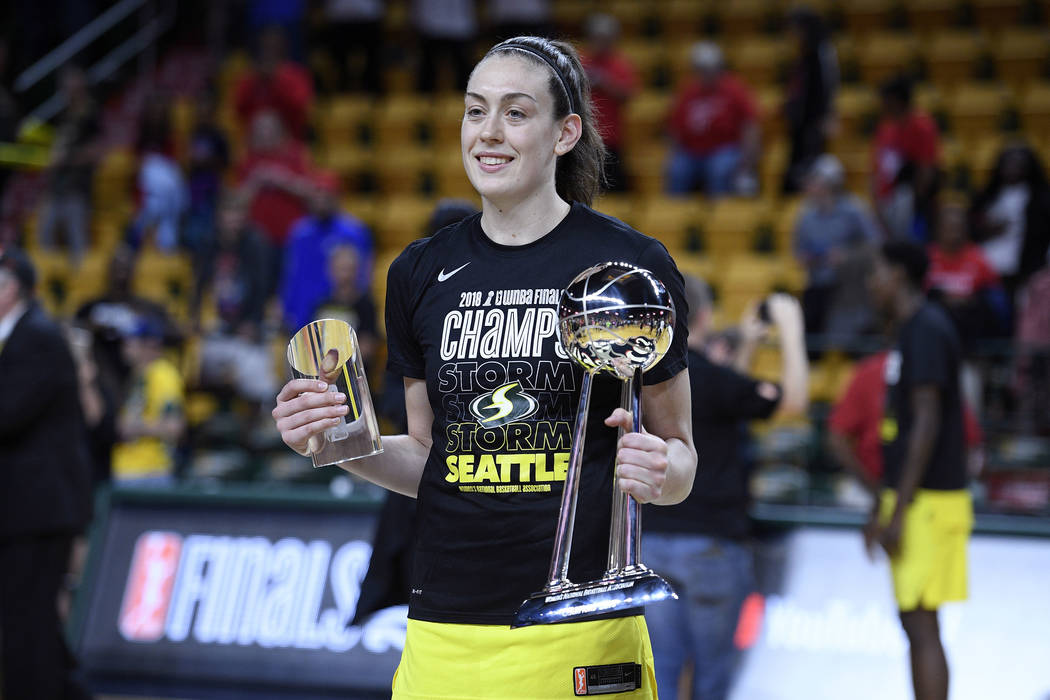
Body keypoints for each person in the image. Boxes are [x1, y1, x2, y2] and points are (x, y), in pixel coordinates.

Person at [272, 36, 697, 699]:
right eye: (475, 111)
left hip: (582, 633)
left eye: (515, 113)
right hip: (445, 630)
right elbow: (425, 457)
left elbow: (680, 457)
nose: (488, 133)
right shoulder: (417, 271)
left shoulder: (630, 267)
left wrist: (661, 471)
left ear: (565, 133)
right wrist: (331, 442)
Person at [643, 281, 809, 700]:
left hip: (651, 542)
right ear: (705, 318)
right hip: (712, 547)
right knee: (713, 676)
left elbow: (729, 400)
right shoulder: (714, 378)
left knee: (658, 673)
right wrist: (790, 328)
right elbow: (793, 401)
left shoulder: (643, 378)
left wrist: (747, 347)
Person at [864, 240, 972, 700]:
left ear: (900, 276)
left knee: (923, 624)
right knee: (916, 623)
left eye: (878, 271)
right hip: (916, 498)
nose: (872, 282)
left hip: (928, 500)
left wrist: (900, 509)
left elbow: (927, 421)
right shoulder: (911, 329)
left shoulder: (926, 328)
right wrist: (886, 503)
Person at [0, 247, 94, 700]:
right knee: (30, 619)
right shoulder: (24, 334)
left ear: (10, 286)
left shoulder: (35, 336)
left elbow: (7, 414)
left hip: (38, 508)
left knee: (25, 621)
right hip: (30, 507)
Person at [793, 154, 880, 340]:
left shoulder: (854, 210)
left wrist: (847, 256)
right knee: (812, 340)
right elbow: (798, 252)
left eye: (815, 181)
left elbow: (876, 245)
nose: (810, 186)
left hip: (849, 289)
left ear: (830, 185)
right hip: (817, 287)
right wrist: (807, 258)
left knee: (848, 340)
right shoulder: (805, 216)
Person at [280, 171, 373, 333]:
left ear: (337, 197)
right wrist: (286, 309)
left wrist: (359, 311)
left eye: (326, 194)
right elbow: (290, 274)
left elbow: (363, 275)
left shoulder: (354, 232)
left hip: (339, 316)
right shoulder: (299, 232)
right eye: (317, 194)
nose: (321, 200)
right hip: (302, 316)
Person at [665, 41, 760, 197]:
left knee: (719, 169)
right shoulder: (688, 91)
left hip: (724, 147)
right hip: (691, 150)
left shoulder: (734, 89)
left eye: (708, 69)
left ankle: (718, 215)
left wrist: (747, 163)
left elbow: (750, 125)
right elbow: (674, 127)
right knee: (677, 170)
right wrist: (672, 154)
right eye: (700, 69)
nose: (704, 74)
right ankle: (676, 215)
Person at [37, 65, 102, 264]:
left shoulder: (90, 113)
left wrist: (66, 158)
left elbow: (96, 153)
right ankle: (48, 279)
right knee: (45, 232)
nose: (67, 89)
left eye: (71, 84)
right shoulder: (64, 114)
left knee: (77, 239)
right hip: (57, 186)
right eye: (65, 85)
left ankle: (81, 282)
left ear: (80, 85)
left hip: (77, 187)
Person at [969, 142, 1050, 302]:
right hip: (987, 267)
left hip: (1024, 270)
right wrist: (986, 229)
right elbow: (970, 227)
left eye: (1018, 164)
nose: (1012, 168)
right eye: (1008, 163)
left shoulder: (1041, 199)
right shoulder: (987, 196)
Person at [110, 317, 186, 486]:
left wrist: (131, 427)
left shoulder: (163, 374)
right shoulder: (136, 373)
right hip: (130, 470)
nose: (125, 346)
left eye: (131, 341)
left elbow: (174, 426)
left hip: (149, 472)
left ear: (149, 344)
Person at [926, 198, 1009, 344]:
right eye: (950, 227)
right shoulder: (927, 258)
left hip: (969, 326)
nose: (954, 232)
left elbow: (995, 298)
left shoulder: (978, 258)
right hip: (934, 324)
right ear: (938, 228)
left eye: (958, 227)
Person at [870, 74, 941, 242]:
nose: (882, 104)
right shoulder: (885, 128)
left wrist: (916, 207)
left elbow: (926, 168)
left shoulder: (922, 126)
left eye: (885, 99)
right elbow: (876, 169)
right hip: (885, 204)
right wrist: (877, 202)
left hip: (910, 203)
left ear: (896, 100)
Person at [782, 6, 838, 193]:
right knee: (795, 171)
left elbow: (828, 85)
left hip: (814, 123)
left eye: (796, 28)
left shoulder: (822, 52)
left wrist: (827, 114)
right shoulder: (803, 55)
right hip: (799, 124)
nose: (793, 34)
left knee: (810, 170)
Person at [580, 13, 639, 192]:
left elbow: (628, 94)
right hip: (583, 136)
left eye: (605, 38)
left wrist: (605, 83)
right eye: (597, 38)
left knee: (613, 187)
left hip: (611, 137)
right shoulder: (580, 60)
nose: (601, 42)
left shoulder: (620, 64)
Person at [234, 24, 314, 140]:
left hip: (290, 142)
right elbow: (239, 109)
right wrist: (256, 82)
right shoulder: (250, 77)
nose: (270, 48)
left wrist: (276, 80)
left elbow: (300, 107)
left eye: (274, 44)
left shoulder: (296, 75)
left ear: (283, 47)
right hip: (255, 145)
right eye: (266, 45)